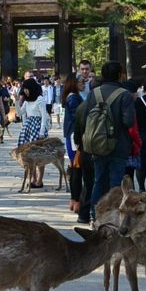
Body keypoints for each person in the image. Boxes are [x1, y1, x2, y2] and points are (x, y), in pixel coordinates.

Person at [77, 60, 135, 219]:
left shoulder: (93, 93)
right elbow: (129, 121)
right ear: (119, 75)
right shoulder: (124, 95)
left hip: (96, 144)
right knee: (116, 183)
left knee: (99, 180)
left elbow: (84, 118)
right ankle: (113, 215)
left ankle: (94, 214)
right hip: (118, 144)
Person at [62, 73, 85, 212]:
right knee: (77, 170)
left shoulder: (71, 97)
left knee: (74, 168)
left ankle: (74, 200)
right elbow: (78, 119)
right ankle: (76, 201)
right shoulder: (74, 98)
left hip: (70, 137)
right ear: (74, 83)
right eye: (82, 81)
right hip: (75, 138)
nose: (84, 83)